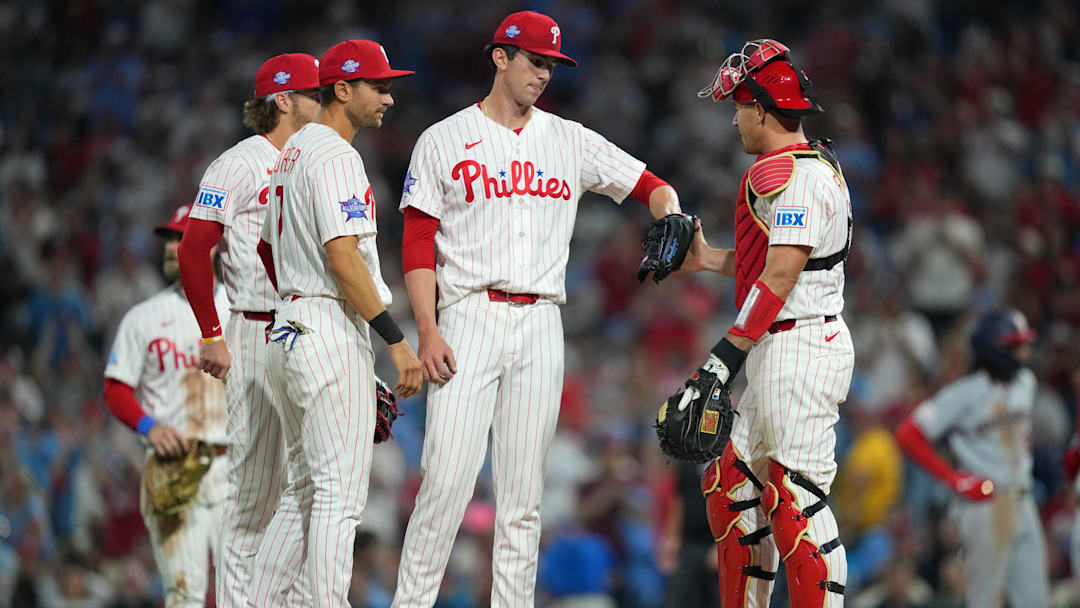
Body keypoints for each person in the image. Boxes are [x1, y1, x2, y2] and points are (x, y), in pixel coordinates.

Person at [393, 11, 683, 607]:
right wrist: (427, 328)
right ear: (499, 57)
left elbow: (653, 185)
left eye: (551, 64)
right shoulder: (444, 138)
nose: (544, 73)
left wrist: (670, 215)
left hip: (542, 323)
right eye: (534, 60)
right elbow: (418, 243)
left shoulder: (568, 138)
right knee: (445, 485)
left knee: (522, 500)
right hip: (467, 316)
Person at [674, 39, 854, 608]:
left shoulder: (799, 177)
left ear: (760, 109)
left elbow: (778, 279)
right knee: (731, 485)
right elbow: (776, 265)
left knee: (794, 500)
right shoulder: (799, 169)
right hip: (781, 343)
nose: (734, 118)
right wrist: (706, 259)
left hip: (800, 347)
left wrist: (718, 362)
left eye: (738, 107)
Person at [248, 39, 423, 608]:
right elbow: (343, 257)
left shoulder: (291, 153)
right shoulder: (337, 156)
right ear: (341, 89)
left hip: (288, 327)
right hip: (325, 324)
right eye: (379, 86)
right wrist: (395, 342)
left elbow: (267, 249)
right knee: (338, 496)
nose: (389, 99)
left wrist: (299, 311)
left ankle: (257, 601)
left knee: (302, 491)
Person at [176, 52, 321, 608]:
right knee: (253, 496)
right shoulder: (239, 163)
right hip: (257, 328)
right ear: (282, 100)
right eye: (315, 93)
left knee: (310, 488)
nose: (325, 100)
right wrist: (211, 332)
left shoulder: (317, 159)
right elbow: (193, 248)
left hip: (307, 330)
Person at [103, 205, 232, 607]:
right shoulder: (145, 317)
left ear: (212, 246)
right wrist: (148, 426)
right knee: (184, 593)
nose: (171, 247)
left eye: (182, 238)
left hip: (239, 467)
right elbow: (115, 386)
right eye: (169, 239)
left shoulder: (242, 308)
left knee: (245, 594)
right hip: (176, 468)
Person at [895, 309, 1048, 608]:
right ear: (994, 349)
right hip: (986, 506)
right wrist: (953, 478)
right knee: (985, 601)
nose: (1024, 351)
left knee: (1036, 600)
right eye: (1015, 344)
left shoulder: (1026, 382)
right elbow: (907, 434)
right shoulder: (963, 394)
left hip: (1025, 500)